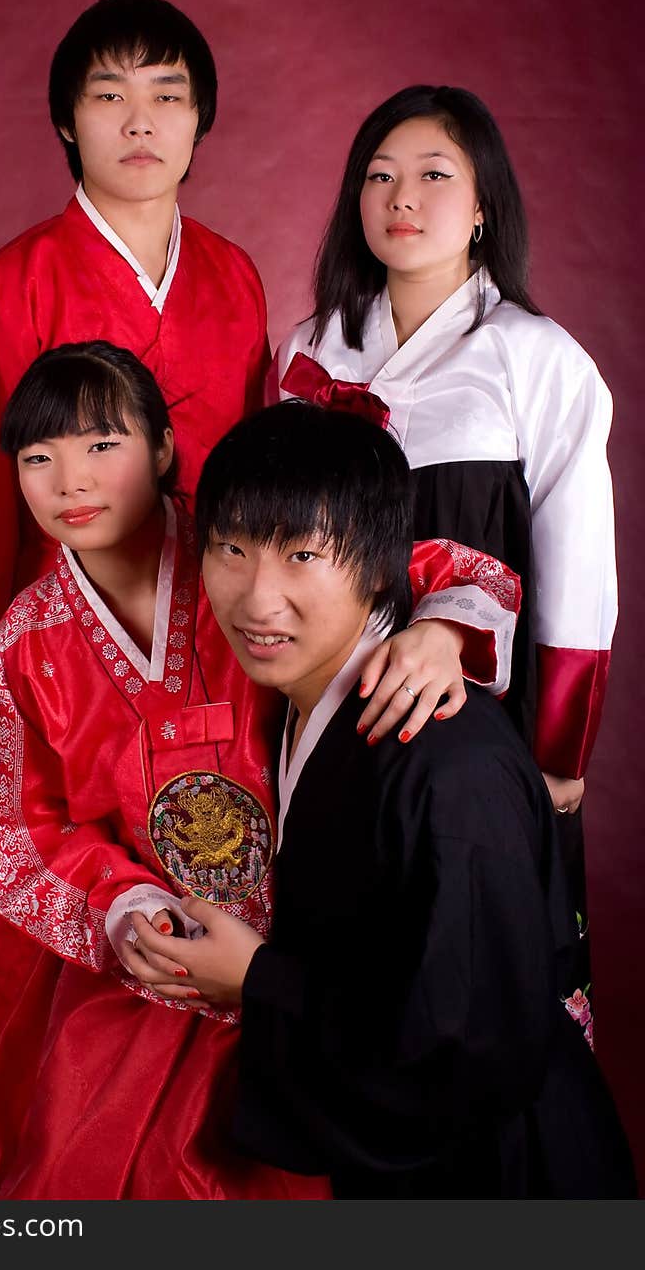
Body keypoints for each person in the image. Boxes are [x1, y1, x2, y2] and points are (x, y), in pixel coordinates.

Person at [0, 341, 521, 1199]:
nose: (72, 481)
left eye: (103, 445)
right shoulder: (27, 647)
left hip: (309, 948)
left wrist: (439, 630)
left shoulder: (246, 544)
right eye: (40, 457)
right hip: (161, 964)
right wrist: (132, 911)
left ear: (165, 449)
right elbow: (22, 829)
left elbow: (431, 566)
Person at [131, 401, 636, 1199]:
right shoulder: (305, 705)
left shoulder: (447, 764)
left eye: (300, 555)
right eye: (231, 547)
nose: (258, 600)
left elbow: (465, 1047)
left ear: (379, 563)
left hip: (502, 1178)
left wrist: (258, 978)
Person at [0, 0, 273, 1113]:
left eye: (166, 96)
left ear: (199, 121)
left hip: (213, 635)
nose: (140, 122)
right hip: (63, 647)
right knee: (40, 871)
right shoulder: (11, 283)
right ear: (67, 122)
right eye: (109, 95)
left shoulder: (232, 276)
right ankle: (2, 1102)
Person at [271, 85, 616, 1035]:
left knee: (467, 976)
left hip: (472, 709)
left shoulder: (534, 358)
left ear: (483, 207)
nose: (400, 198)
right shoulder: (309, 350)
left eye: (432, 175)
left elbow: (577, 563)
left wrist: (558, 748)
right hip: (317, 700)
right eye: (378, 177)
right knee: (334, 961)